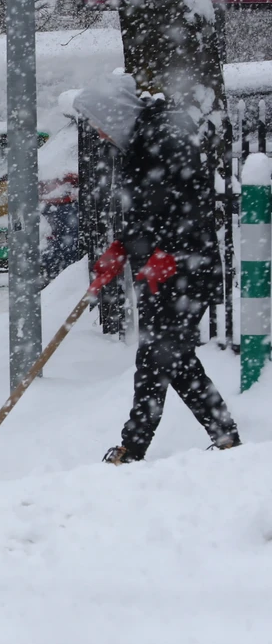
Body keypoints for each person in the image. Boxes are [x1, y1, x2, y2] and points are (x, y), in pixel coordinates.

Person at [76, 81, 241, 464]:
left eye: (99, 122)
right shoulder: (140, 142)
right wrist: (124, 247)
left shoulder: (163, 138)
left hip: (184, 271)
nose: (99, 132)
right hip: (165, 271)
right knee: (171, 360)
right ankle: (224, 438)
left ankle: (134, 449)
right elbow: (147, 210)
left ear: (114, 114)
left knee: (159, 358)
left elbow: (188, 203)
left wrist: (169, 250)